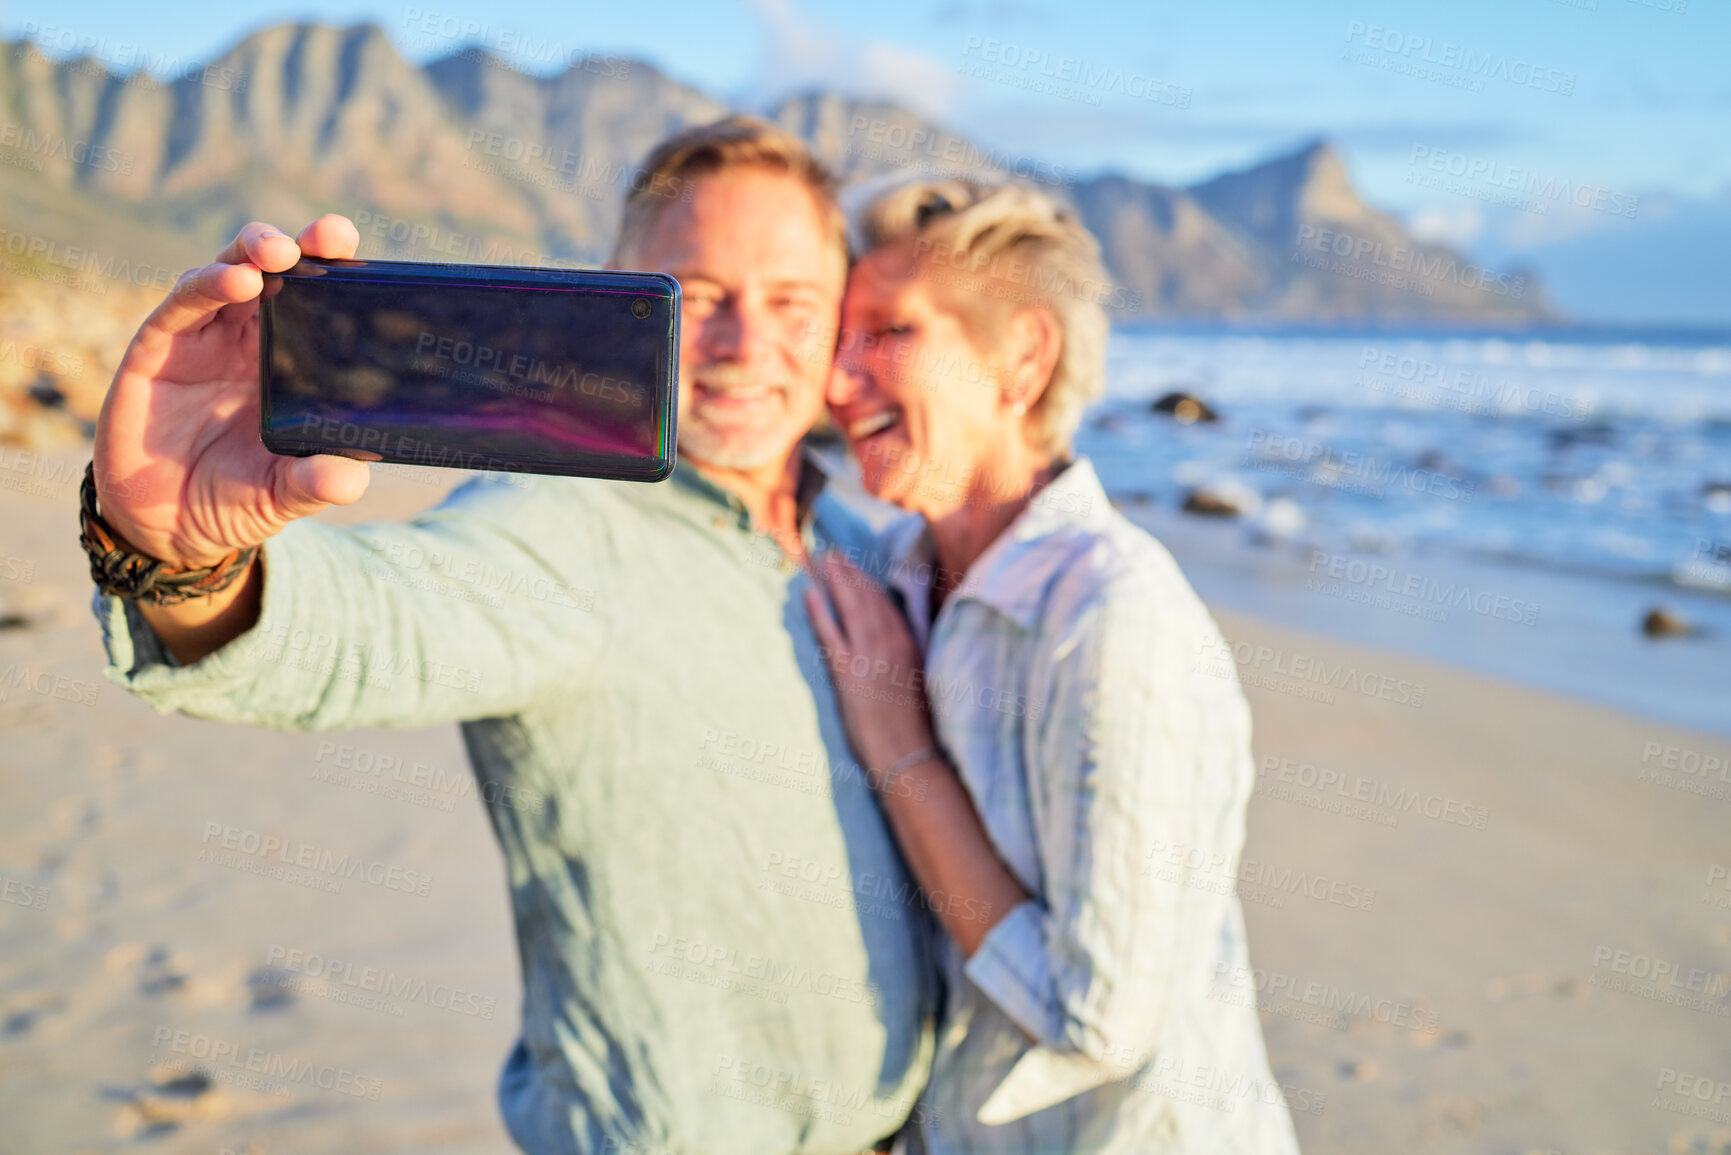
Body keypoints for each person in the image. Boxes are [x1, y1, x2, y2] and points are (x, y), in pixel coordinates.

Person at [84, 118, 936, 1155]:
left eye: (793, 302)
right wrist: (181, 559)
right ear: (624, 298)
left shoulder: (871, 548)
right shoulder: (560, 530)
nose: (746, 346)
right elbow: (370, 625)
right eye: (699, 296)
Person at [805, 178, 1303, 1153]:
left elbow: (1101, 1023)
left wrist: (903, 753)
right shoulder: (898, 580)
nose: (836, 379)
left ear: (1022, 359)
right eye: (840, 336)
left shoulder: (1112, 619)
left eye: (890, 334)